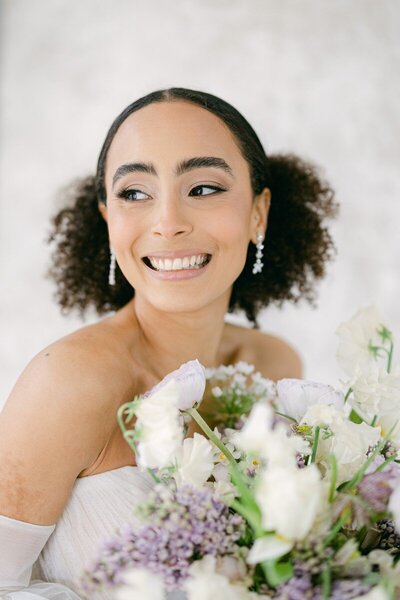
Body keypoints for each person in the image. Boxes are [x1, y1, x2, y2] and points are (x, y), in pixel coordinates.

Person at [0, 87, 337, 598]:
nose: (169, 223)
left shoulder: (276, 365)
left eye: (203, 188)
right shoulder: (68, 382)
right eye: (134, 193)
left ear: (258, 213)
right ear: (108, 218)